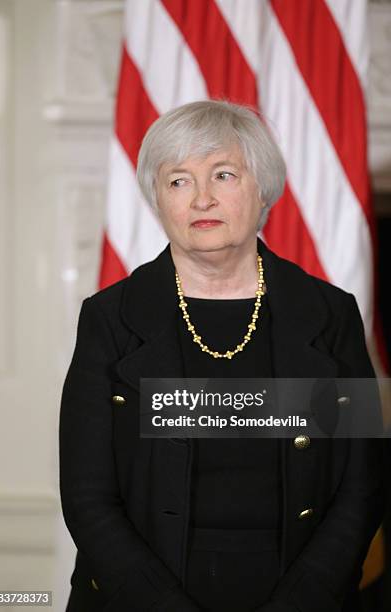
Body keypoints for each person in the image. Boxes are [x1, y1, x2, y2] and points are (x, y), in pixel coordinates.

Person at [59, 100, 384, 612]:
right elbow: (86, 496)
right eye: (178, 181)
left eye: (224, 175)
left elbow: (360, 486)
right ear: (159, 200)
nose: (202, 199)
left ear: (262, 189)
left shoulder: (329, 315)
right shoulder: (110, 318)